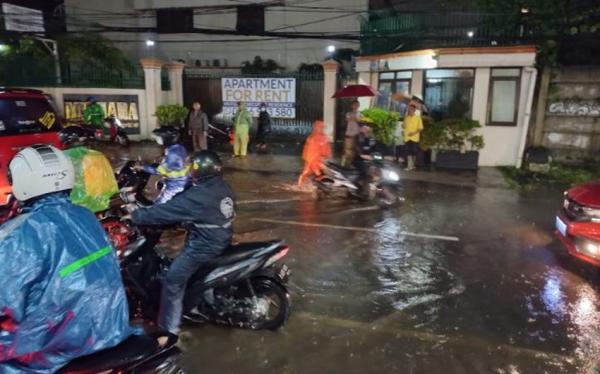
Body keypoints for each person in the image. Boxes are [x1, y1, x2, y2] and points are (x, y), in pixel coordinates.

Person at [0, 145, 131, 372]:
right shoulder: (85, 215)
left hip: (58, 349)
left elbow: (5, 299)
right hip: (111, 329)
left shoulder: (17, 235)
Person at [130, 151, 235, 344]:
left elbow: (168, 210)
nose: (190, 170)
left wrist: (135, 216)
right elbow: (207, 213)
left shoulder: (199, 194)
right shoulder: (221, 186)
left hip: (204, 246)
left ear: (200, 169)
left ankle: (168, 332)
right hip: (221, 239)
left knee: (173, 280)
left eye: (193, 166)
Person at [298, 120, 332, 186]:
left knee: (312, 174)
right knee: (311, 174)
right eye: (320, 127)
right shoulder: (313, 137)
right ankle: (301, 186)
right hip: (312, 160)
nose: (321, 129)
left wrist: (327, 156)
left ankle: (312, 185)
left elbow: (326, 150)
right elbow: (307, 149)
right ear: (316, 127)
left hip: (315, 160)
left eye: (322, 128)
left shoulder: (320, 137)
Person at [353, 121, 376, 197]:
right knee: (365, 173)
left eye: (366, 127)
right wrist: (362, 156)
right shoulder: (358, 137)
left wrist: (375, 156)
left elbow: (374, 149)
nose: (365, 129)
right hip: (358, 160)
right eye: (363, 127)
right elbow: (357, 149)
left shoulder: (372, 138)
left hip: (369, 160)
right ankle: (361, 190)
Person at [403, 101, 424, 171]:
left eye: (412, 109)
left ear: (414, 110)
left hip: (414, 138)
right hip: (407, 137)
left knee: (414, 152)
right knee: (408, 151)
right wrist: (404, 121)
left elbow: (420, 128)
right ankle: (409, 166)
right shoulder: (407, 117)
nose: (410, 110)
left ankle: (412, 165)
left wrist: (413, 133)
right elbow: (403, 126)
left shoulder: (418, 118)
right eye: (409, 109)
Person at [342, 100, 361, 167]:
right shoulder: (348, 113)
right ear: (352, 106)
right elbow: (348, 119)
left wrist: (356, 118)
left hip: (357, 134)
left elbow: (360, 121)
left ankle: (353, 165)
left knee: (355, 151)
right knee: (348, 151)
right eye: (354, 104)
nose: (356, 106)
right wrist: (355, 118)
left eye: (357, 104)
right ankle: (345, 165)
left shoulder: (360, 114)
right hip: (349, 134)